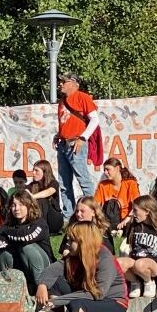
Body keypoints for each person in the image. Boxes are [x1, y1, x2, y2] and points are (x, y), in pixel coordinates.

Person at [36, 221, 128, 312]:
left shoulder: (104, 257)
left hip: (114, 304)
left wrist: (58, 301)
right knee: (57, 282)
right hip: (88, 300)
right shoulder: (73, 258)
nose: (67, 244)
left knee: (76, 303)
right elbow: (53, 269)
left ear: (83, 241)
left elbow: (98, 294)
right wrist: (42, 285)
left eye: (71, 240)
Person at [0, 189, 54, 294]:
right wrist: (12, 238)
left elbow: (25, 237)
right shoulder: (9, 225)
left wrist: (8, 236)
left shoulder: (39, 223)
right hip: (21, 267)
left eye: (21, 204)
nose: (17, 208)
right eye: (14, 205)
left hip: (44, 268)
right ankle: (11, 287)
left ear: (29, 206)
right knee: (3, 252)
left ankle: (41, 287)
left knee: (27, 248)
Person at [53, 72, 99, 219]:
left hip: (76, 144)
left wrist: (83, 138)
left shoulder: (82, 97)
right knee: (64, 183)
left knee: (83, 180)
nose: (60, 84)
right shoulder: (62, 101)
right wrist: (58, 135)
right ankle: (68, 216)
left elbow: (94, 119)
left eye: (63, 82)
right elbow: (67, 122)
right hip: (64, 144)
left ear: (73, 83)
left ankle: (94, 214)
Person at [116, 195, 157, 299]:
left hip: (154, 265)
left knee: (140, 264)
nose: (132, 213)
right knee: (117, 263)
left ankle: (149, 282)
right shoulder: (134, 226)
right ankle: (135, 282)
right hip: (136, 263)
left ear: (147, 211)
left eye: (135, 210)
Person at [94, 157, 140, 228]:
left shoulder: (131, 183)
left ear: (117, 168)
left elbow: (137, 205)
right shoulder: (102, 185)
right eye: (104, 170)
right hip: (108, 220)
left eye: (108, 169)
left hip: (126, 220)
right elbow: (95, 205)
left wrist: (126, 220)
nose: (105, 172)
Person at [27, 160, 63, 235]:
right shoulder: (32, 185)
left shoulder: (53, 183)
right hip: (40, 221)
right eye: (33, 170)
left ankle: (41, 228)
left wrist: (33, 196)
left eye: (36, 170)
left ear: (45, 172)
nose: (33, 173)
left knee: (42, 200)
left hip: (54, 221)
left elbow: (49, 191)